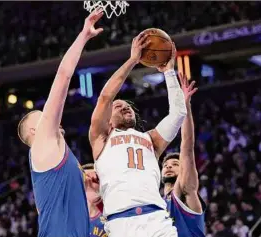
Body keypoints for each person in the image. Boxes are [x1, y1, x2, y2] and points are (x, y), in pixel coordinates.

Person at [89, 32, 186, 237]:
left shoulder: (151, 139)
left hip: (157, 221)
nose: (125, 108)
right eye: (118, 106)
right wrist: (133, 60)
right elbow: (106, 96)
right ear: (108, 119)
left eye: (128, 107)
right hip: (121, 224)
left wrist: (169, 71)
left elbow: (178, 113)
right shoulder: (101, 138)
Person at [17, 9, 104, 237]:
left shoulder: (60, 159)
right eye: (42, 116)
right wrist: (83, 35)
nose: (49, 117)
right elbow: (64, 75)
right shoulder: (42, 143)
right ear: (36, 130)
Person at [161, 73, 205, 237]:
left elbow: (187, 145)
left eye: (175, 164)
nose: (168, 167)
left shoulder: (185, 190)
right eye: (165, 165)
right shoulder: (157, 204)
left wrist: (185, 105)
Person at [82, 164, 108, 237]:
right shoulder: (73, 216)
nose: (89, 181)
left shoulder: (110, 211)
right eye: (85, 181)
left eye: (94, 180)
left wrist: (98, 202)